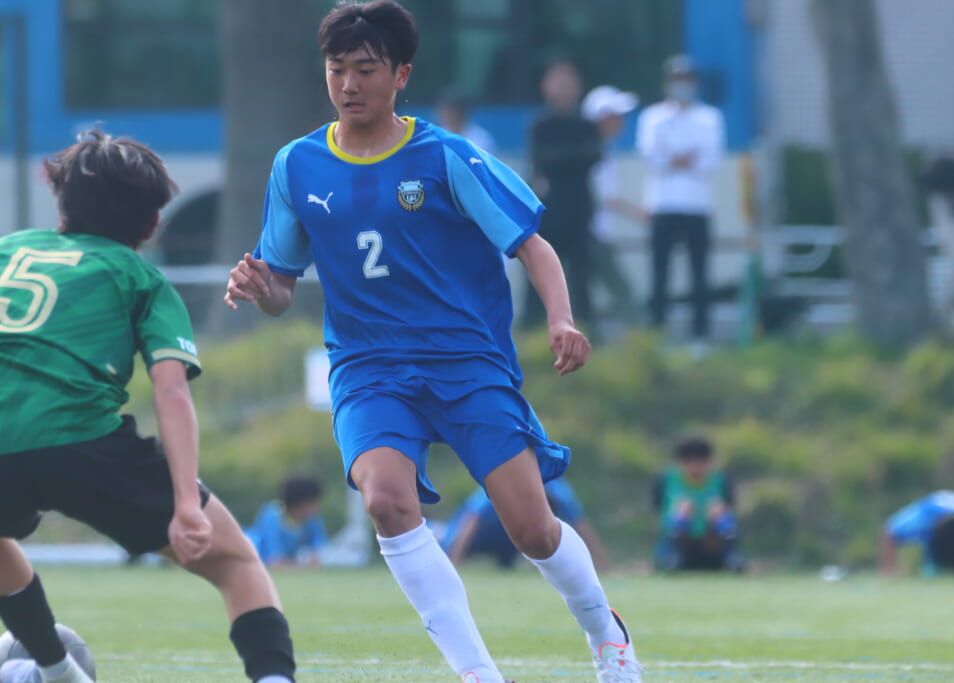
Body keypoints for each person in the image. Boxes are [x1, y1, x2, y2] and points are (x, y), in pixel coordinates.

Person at [222, 3, 641, 681]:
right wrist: (257, 286)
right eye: (337, 69)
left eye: (366, 69)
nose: (349, 84)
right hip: (368, 367)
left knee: (533, 529)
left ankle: (606, 632)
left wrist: (561, 319)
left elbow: (531, 244)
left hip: (465, 361)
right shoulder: (296, 165)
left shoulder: (446, 155)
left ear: (401, 74)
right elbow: (281, 289)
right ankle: (478, 673)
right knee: (386, 501)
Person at [0, 131, 296, 683]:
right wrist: (186, 503)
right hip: (82, 443)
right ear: (152, 223)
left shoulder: (8, 250)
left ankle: (55, 672)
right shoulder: (141, 277)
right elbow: (170, 389)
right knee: (235, 563)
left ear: (61, 200)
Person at [636, 55, 724, 352]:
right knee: (660, 273)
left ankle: (700, 337)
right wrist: (686, 157)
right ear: (667, 83)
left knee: (699, 274)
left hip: (698, 206)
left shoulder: (710, 118)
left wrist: (673, 158)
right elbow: (652, 158)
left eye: (686, 80)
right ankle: (657, 335)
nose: (681, 86)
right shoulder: (653, 117)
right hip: (662, 204)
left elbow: (711, 161)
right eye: (676, 80)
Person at [523, 59, 603, 328]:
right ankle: (534, 328)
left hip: (579, 208)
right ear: (545, 87)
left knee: (581, 275)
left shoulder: (587, 125)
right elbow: (541, 161)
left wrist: (562, 159)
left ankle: (584, 328)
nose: (564, 88)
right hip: (548, 208)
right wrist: (573, 158)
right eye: (558, 82)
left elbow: (594, 156)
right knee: (540, 272)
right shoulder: (540, 124)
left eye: (569, 82)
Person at [581, 85, 647, 326]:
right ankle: (640, 333)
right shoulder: (591, 151)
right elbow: (605, 197)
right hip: (591, 233)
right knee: (620, 290)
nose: (621, 122)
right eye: (616, 116)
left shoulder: (603, 149)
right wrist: (640, 214)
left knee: (584, 291)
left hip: (597, 232)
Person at [442, 479, 610, 571]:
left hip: (513, 540)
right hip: (482, 535)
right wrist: (453, 562)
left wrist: (603, 565)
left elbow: (580, 525)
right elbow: (471, 519)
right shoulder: (501, 480)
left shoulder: (555, 487)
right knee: (439, 545)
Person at [652, 437, 743, 572]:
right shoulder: (666, 480)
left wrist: (716, 516)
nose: (695, 467)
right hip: (682, 545)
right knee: (681, 513)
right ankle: (670, 558)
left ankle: (732, 558)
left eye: (700, 461)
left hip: (711, 544)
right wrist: (681, 518)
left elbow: (730, 508)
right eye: (688, 461)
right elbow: (656, 515)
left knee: (722, 517)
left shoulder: (721, 479)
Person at [247, 476, 328, 568]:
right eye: (313, 503)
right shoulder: (273, 515)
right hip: (256, 560)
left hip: (289, 564)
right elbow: (275, 560)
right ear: (300, 503)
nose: (316, 508)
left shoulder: (311, 520)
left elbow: (318, 549)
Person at [435, 88, 497, 155]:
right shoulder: (435, 135)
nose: (445, 114)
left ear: (461, 112)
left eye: (451, 111)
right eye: (443, 109)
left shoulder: (481, 138)